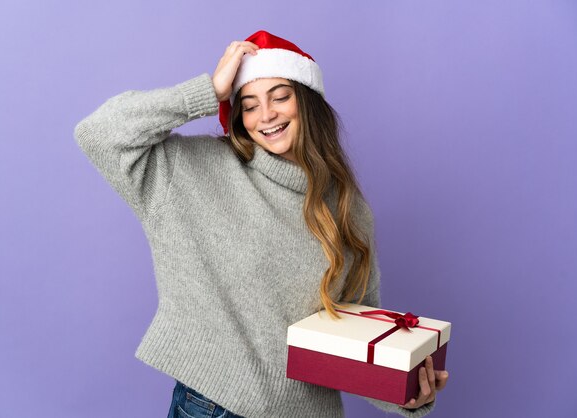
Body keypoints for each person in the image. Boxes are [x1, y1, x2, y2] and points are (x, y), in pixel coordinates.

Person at [74, 30, 449, 418]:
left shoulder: (349, 210)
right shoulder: (189, 172)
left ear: (307, 103)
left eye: (280, 97)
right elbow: (98, 133)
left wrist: (405, 396)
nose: (266, 115)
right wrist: (208, 91)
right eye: (249, 105)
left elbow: (353, 332)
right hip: (216, 408)